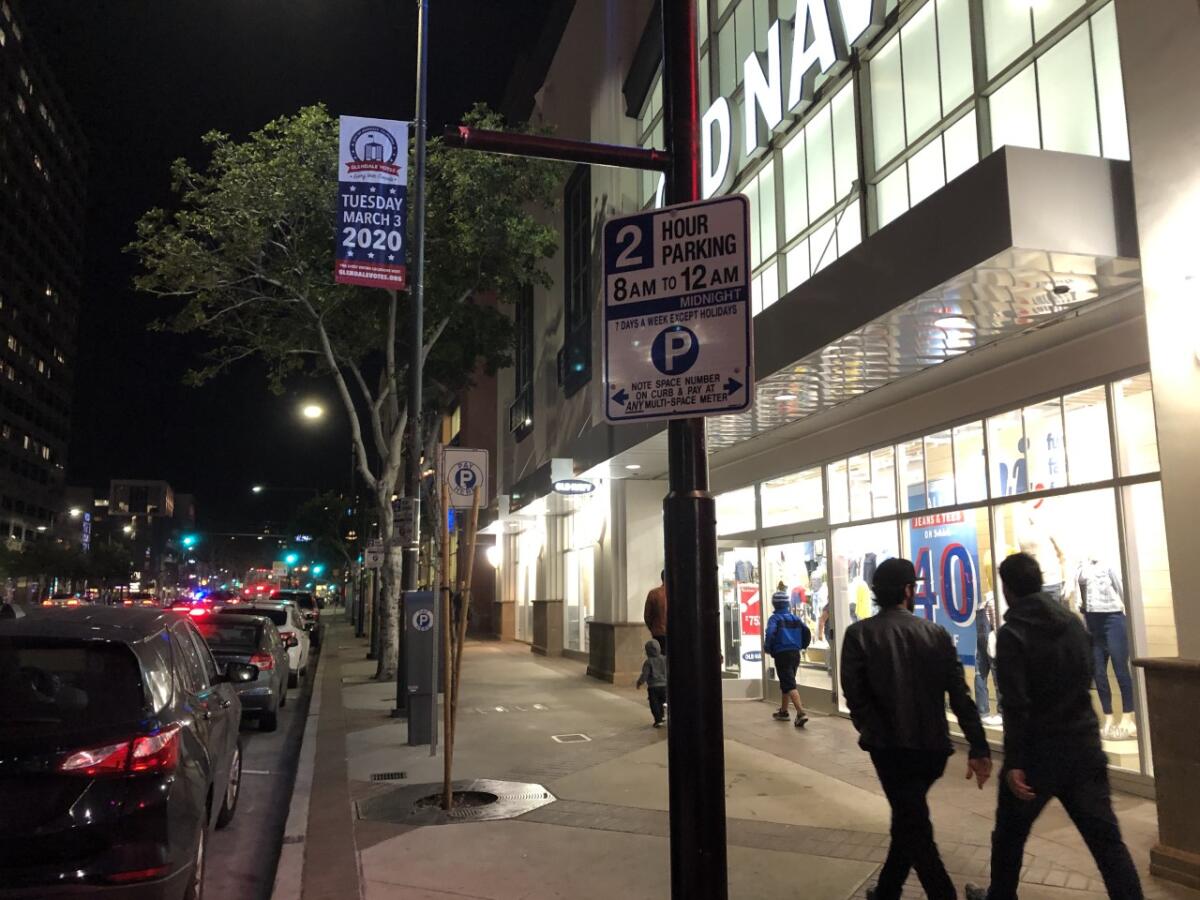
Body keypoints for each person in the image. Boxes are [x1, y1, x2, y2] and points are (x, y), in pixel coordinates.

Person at [966, 554, 1142, 900]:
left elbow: (1016, 702)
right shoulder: (1074, 623)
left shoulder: (1013, 632)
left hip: (1037, 756)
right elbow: (1085, 678)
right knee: (1107, 842)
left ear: (1007, 588)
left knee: (1009, 835)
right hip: (1083, 747)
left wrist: (1015, 761)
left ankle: (1000, 896)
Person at [840, 557, 992, 900]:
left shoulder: (858, 635)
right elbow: (959, 695)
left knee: (914, 826)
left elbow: (854, 695)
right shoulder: (935, 634)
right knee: (908, 818)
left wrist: (870, 729)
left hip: (888, 749)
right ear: (909, 590)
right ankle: (888, 891)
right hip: (931, 747)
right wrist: (978, 746)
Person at [763, 590, 811, 727]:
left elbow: (770, 632)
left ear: (774, 605)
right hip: (795, 653)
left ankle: (801, 712)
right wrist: (802, 645)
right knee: (787, 680)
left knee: (789, 683)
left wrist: (768, 647)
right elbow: (806, 632)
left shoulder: (775, 619)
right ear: (787, 604)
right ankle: (783, 711)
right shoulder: (795, 618)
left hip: (782, 654)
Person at [635, 639, 668, 727]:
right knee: (662, 701)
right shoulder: (664, 659)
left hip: (653, 687)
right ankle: (662, 715)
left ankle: (658, 720)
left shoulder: (648, 662)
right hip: (665, 685)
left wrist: (639, 682)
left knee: (655, 704)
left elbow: (645, 674)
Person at [644, 570, 668, 655]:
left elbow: (647, 616)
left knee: (658, 658)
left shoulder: (653, 593)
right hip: (675, 633)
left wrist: (653, 627)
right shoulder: (678, 593)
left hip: (658, 632)